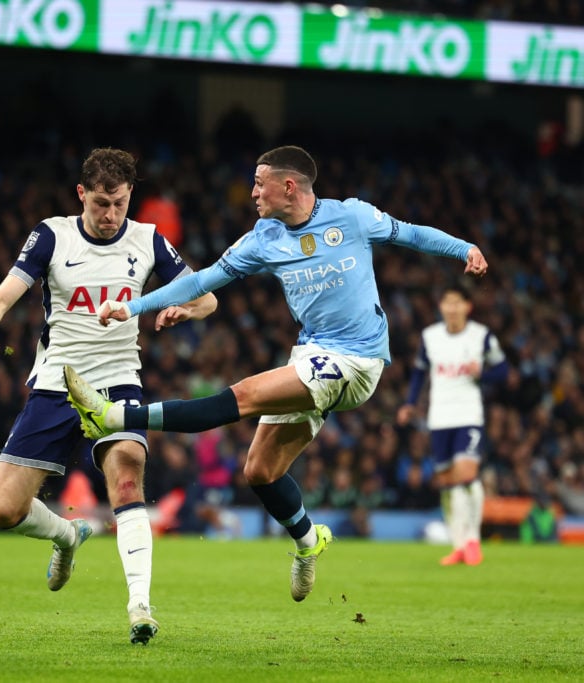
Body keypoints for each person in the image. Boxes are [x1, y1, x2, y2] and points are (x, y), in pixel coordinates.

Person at [63, 145, 488, 602]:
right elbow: (201, 280)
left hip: (358, 360)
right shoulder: (264, 237)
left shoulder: (352, 217)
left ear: (288, 186)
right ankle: (308, 542)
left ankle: (115, 418)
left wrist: (463, 247)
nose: (252, 193)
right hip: (310, 355)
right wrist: (133, 307)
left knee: (244, 395)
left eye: (259, 183)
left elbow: (411, 234)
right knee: (260, 471)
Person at [0, 147, 217, 645]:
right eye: (99, 203)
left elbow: (207, 295)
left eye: (118, 203)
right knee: (2, 510)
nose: (109, 214)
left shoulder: (148, 240)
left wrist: (187, 311)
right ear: (82, 195)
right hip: (57, 383)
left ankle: (140, 605)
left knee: (127, 481)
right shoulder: (52, 235)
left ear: (130, 196)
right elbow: (5, 295)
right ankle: (67, 536)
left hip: (119, 381)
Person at [396, 284, 508, 566]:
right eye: (447, 302)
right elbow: (420, 373)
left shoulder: (480, 336)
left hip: (468, 415)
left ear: (468, 306)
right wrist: (410, 403)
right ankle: (459, 544)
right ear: (441, 307)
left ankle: (473, 541)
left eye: (457, 302)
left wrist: (482, 373)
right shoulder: (430, 337)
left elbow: (503, 370)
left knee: (466, 474)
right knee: (447, 483)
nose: (452, 308)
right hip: (439, 417)